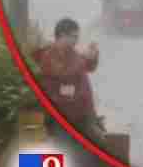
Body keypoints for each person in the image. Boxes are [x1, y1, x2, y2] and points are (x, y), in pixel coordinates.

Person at [31, 17, 106, 147]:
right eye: (74, 37)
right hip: (63, 115)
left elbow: (88, 67)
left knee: (100, 142)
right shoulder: (50, 55)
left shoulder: (71, 52)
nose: (76, 41)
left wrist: (93, 56)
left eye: (77, 37)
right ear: (62, 36)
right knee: (68, 149)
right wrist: (83, 58)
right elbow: (65, 74)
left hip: (81, 113)